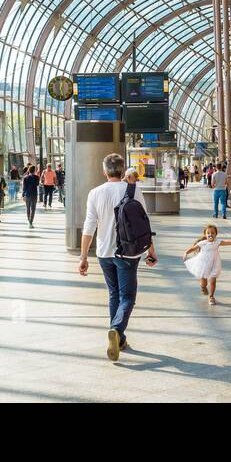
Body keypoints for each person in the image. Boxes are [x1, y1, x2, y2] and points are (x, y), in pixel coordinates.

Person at [78, 152, 158, 361]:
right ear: (122, 171)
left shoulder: (95, 193)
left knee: (114, 294)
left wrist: (83, 256)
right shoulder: (133, 190)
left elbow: (89, 227)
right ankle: (116, 330)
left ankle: (119, 338)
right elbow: (144, 222)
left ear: (104, 171)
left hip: (104, 253)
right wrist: (151, 250)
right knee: (128, 297)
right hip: (128, 253)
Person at [183, 223, 231, 305]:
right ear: (205, 235)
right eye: (208, 233)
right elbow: (193, 248)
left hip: (214, 264)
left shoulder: (217, 242)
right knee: (204, 282)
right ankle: (203, 287)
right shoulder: (203, 243)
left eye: (213, 233)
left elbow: (230, 242)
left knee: (213, 281)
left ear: (216, 234)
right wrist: (186, 253)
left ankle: (211, 297)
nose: (210, 234)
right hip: (203, 264)